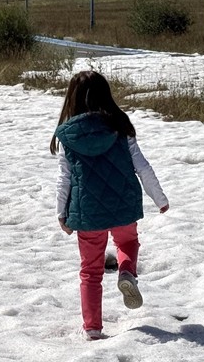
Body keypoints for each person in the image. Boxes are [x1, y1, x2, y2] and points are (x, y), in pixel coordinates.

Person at [51, 70, 168, 340]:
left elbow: (64, 179)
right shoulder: (120, 127)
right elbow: (142, 166)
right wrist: (159, 198)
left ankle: (92, 328)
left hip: (88, 212)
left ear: (72, 99)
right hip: (124, 204)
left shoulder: (68, 136)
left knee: (90, 271)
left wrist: (61, 213)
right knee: (127, 243)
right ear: (106, 95)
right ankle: (127, 272)